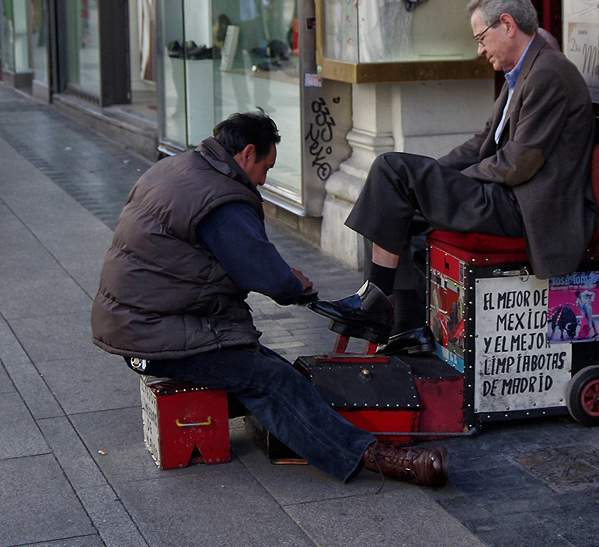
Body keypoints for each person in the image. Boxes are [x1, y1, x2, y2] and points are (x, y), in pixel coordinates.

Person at [90, 111, 447, 487]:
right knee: (273, 380)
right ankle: (372, 456)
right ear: (246, 154)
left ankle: (309, 430)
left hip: (142, 325)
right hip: (155, 335)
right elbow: (268, 276)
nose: (264, 178)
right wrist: (297, 286)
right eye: (266, 166)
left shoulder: (180, 168)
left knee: (275, 373)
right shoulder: (220, 199)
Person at [312, 0, 596, 354]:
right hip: (509, 196)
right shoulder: (525, 70)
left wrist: (447, 181)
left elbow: (519, 164)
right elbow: (482, 143)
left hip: (527, 209)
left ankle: (376, 299)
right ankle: (406, 329)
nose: (480, 50)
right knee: (396, 198)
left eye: (481, 38)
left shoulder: (548, 73)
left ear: (507, 24)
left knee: (388, 168)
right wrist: (433, 176)